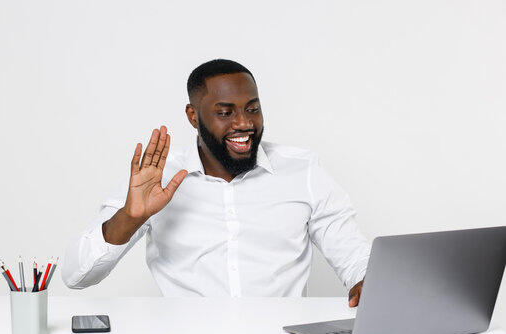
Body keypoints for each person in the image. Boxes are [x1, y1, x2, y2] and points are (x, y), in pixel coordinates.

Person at [62, 59, 370, 306]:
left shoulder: (301, 171)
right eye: (225, 112)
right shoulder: (159, 178)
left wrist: (368, 281)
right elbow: (77, 275)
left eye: (253, 108)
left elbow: (355, 257)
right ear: (193, 117)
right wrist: (130, 218)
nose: (244, 123)